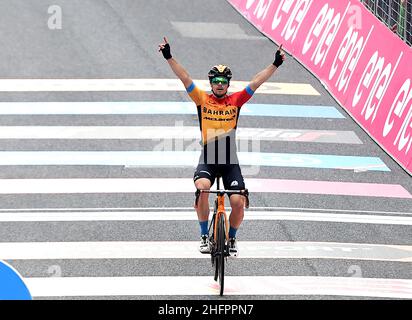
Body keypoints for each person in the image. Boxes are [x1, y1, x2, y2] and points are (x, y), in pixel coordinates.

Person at [158, 37, 285, 257]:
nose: (219, 84)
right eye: (215, 80)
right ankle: (204, 236)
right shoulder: (201, 99)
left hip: (229, 161)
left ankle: (232, 237)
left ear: (227, 84)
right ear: (211, 83)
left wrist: (275, 64)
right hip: (208, 157)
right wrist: (169, 56)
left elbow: (256, 82)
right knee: (203, 187)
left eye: (223, 81)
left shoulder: (236, 100)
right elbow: (184, 77)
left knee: (237, 201)